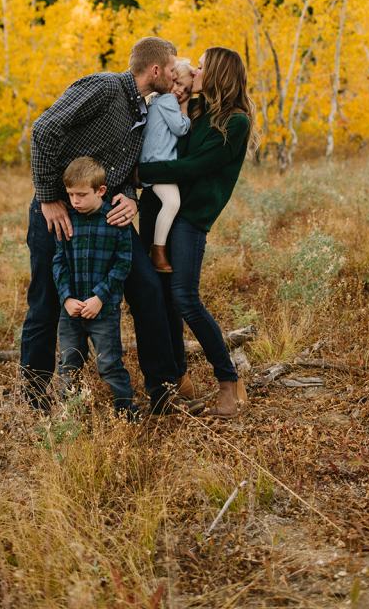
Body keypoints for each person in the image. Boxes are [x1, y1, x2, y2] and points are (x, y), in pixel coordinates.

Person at [21, 35, 201, 415]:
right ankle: (35, 402)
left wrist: (130, 198)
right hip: (58, 215)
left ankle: (163, 390)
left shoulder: (147, 110)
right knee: (45, 303)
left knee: (148, 288)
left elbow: (125, 171)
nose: (175, 76)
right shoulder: (103, 88)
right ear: (155, 70)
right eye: (172, 69)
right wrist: (49, 196)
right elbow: (44, 130)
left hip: (108, 223)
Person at [138, 47, 258, 418]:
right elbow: (171, 146)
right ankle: (177, 379)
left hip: (190, 218)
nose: (197, 70)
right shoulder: (198, 109)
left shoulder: (234, 122)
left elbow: (195, 166)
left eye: (203, 66)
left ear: (219, 73)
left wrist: (143, 175)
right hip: (159, 210)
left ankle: (229, 381)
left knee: (185, 298)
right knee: (159, 299)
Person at [53, 157, 137, 416]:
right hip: (71, 311)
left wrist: (99, 297)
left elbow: (123, 264)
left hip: (104, 310)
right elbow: (59, 262)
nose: (75, 201)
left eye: (81, 194)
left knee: (110, 364)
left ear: (100, 191)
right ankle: (71, 413)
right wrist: (67, 298)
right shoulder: (68, 220)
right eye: (70, 195)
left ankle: (126, 411)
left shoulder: (114, 220)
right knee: (69, 363)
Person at [139, 58, 193, 273]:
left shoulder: (155, 101)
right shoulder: (169, 102)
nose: (180, 91)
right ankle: (158, 250)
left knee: (168, 203)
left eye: (187, 90)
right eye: (177, 83)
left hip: (152, 163)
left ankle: (156, 248)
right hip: (158, 165)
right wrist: (186, 107)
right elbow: (181, 128)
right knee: (172, 202)